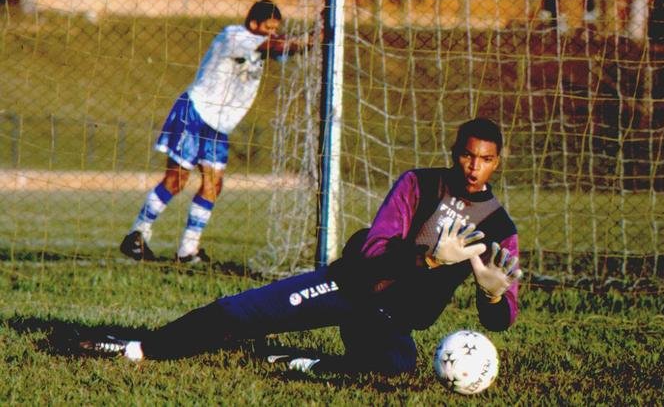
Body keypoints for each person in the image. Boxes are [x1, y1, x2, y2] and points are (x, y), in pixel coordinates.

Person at [84, 118, 522, 375]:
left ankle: (300, 361)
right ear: (454, 152)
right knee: (242, 315)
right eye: (468, 155)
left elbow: (501, 320)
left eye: (486, 159)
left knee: (395, 364)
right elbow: (372, 251)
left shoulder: (499, 228)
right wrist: (427, 258)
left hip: (388, 318)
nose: (474, 167)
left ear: (498, 162)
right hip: (350, 287)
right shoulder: (419, 184)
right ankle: (137, 347)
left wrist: (491, 295)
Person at [120, 0, 313, 263]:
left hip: (219, 125)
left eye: (274, 28)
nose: (272, 32)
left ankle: (188, 250)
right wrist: (304, 40)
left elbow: (287, 48)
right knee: (176, 180)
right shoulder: (234, 35)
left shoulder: (264, 43)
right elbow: (277, 45)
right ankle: (137, 234)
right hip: (195, 112)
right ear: (253, 23)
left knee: (214, 184)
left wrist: (316, 37)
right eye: (267, 27)